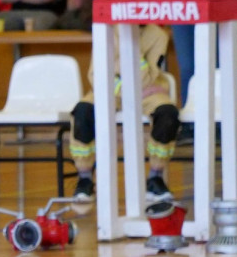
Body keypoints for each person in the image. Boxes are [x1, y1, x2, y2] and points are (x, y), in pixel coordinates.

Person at [68, 24, 178, 203]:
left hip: (146, 92)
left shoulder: (159, 35)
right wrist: (125, 88)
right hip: (108, 89)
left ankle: (155, 177)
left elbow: (148, 78)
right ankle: (85, 178)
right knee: (83, 111)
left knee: (168, 114)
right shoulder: (107, 30)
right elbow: (96, 74)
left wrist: (132, 48)